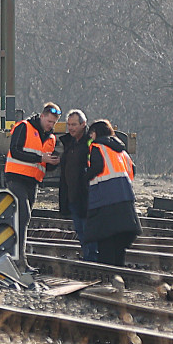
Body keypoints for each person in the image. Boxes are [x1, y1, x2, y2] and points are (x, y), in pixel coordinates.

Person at [4, 102, 61, 261]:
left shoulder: (51, 138)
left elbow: (44, 164)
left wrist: (51, 163)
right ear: (42, 116)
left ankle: (19, 256)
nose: (51, 125)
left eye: (54, 123)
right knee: (23, 214)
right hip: (16, 177)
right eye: (49, 121)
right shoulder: (24, 127)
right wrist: (40, 158)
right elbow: (15, 151)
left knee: (25, 218)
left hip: (33, 181)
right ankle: (18, 257)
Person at [84, 119, 140, 267]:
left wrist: (83, 178)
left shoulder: (97, 147)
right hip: (125, 197)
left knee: (106, 240)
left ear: (95, 133)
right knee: (120, 242)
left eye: (91, 134)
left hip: (105, 199)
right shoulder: (122, 151)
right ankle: (118, 272)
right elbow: (132, 171)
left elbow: (96, 167)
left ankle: (108, 276)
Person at [57, 109, 95, 260]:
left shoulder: (89, 143)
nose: (71, 128)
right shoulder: (70, 144)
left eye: (74, 124)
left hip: (87, 196)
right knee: (80, 231)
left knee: (90, 231)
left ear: (83, 124)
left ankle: (93, 259)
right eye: (69, 125)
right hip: (72, 195)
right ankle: (88, 257)